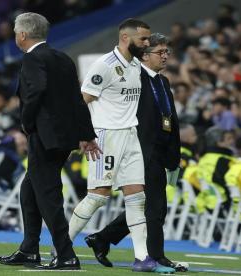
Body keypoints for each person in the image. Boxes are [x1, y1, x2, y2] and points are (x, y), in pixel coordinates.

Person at [67, 19, 174, 274]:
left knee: (137, 197)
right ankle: (63, 245)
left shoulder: (136, 65)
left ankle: (142, 258)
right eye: (144, 39)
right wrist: (85, 135)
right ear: (126, 38)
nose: (147, 44)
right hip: (106, 137)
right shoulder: (104, 66)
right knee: (97, 197)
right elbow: (82, 101)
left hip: (130, 135)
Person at [0, 12, 100, 271]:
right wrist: (87, 135)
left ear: (22, 35)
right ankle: (29, 249)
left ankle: (65, 255)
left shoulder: (32, 58)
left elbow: (36, 91)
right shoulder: (62, 57)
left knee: (47, 194)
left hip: (44, 136)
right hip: (63, 137)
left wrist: (27, 124)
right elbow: (76, 99)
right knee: (30, 188)